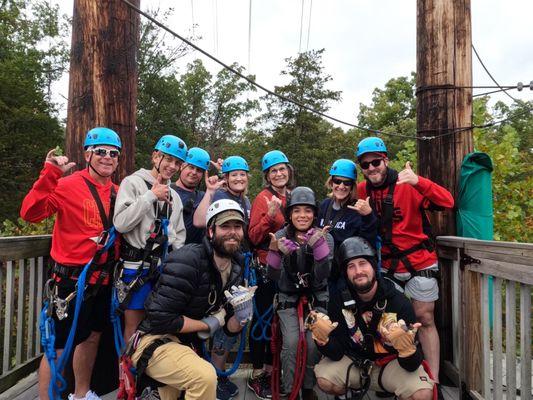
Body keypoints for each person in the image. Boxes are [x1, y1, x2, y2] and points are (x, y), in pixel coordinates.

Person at [20, 127, 122, 400]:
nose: (107, 157)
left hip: (102, 281)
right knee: (59, 346)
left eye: (113, 153)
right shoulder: (67, 185)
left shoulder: (118, 192)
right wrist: (50, 173)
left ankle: (81, 394)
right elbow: (30, 213)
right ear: (88, 154)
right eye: (100, 151)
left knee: (91, 338)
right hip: (70, 282)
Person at [128, 199, 256, 400]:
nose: (233, 232)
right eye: (225, 226)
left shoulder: (236, 268)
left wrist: (240, 318)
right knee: (204, 377)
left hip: (185, 346)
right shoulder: (188, 260)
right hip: (154, 341)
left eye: (237, 226)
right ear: (211, 231)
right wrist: (205, 325)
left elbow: (228, 328)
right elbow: (160, 318)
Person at [355, 137, 454, 383]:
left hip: (419, 260)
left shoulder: (407, 183)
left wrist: (419, 181)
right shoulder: (362, 190)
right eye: (365, 165)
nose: (371, 168)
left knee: (425, 317)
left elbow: (448, 202)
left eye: (375, 162)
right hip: (388, 264)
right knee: (392, 321)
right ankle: (397, 374)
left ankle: (433, 378)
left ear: (385, 160)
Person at [312, 236, 435, 400]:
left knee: (422, 394)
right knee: (325, 380)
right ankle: (347, 393)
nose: (358, 271)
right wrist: (323, 341)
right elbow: (337, 353)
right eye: (351, 266)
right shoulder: (339, 301)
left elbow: (412, 365)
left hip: (391, 365)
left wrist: (407, 350)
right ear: (346, 273)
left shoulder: (399, 303)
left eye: (363, 264)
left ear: (373, 266)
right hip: (355, 363)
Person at [113, 135, 187, 341]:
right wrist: (150, 196)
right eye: (168, 159)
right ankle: (127, 371)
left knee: (160, 326)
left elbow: (178, 238)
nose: (172, 166)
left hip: (162, 270)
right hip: (135, 269)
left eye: (177, 163)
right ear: (156, 157)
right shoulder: (133, 183)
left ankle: (149, 371)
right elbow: (121, 223)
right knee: (134, 328)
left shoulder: (176, 197)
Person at [266, 186, 334, 400]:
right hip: (288, 298)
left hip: (316, 297)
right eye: (297, 211)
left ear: (314, 214)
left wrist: (320, 251)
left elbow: (324, 275)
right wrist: (276, 254)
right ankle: (289, 389)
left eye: (307, 211)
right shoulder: (279, 236)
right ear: (289, 214)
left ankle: (307, 387)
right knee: (292, 343)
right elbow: (273, 277)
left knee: (313, 342)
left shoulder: (324, 237)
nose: (302, 216)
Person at [247, 150, 293, 399]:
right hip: (266, 267)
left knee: (282, 321)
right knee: (263, 321)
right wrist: (270, 216)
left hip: (289, 268)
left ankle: (273, 370)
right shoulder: (263, 198)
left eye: (282, 169)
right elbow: (253, 235)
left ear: (288, 171)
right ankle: (258, 374)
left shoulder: (294, 197)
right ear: (267, 176)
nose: (278, 174)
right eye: (273, 171)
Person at [318, 158, 377, 293]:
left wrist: (368, 216)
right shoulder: (324, 205)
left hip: (343, 274)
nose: (341, 186)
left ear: (352, 186)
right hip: (323, 269)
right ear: (331, 182)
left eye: (347, 183)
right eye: (337, 181)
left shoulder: (358, 209)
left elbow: (367, 242)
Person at [170, 147, 215, 245]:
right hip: (167, 252)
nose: (194, 172)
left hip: (194, 254)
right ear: (182, 166)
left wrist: (222, 174)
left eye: (199, 170)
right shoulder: (166, 190)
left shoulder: (205, 197)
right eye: (191, 167)